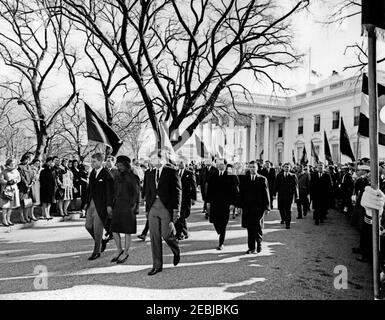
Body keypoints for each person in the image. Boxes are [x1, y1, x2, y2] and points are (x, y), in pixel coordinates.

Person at [144, 154, 181, 276]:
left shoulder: (171, 171)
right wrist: (147, 209)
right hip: (153, 207)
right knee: (154, 237)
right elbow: (148, 192)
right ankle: (157, 265)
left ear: (162, 159)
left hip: (166, 207)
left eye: (155, 158)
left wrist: (177, 209)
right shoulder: (149, 173)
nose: (153, 160)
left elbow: (177, 191)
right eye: (152, 158)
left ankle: (175, 249)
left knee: (166, 234)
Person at [110, 156, 140, 264]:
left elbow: (136, 193)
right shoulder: (117, 177)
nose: (119, 167)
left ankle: (126, 252)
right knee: (114, 229)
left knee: (127, 231)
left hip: (128, 206)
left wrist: (135, 207)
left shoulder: (133, 177)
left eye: (121, 165)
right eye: (118, 165)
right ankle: (119, 249)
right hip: (117, 205)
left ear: (126, 165)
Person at [84, 153, 114, 261]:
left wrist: (109, 206)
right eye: (91, 161)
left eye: (94, 161)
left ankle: (96, 251)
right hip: (91, 204)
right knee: (88, 226)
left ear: (101, 162)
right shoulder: (92, 173)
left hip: (101, 205)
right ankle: (102, 241)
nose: (92, 163)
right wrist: (86, 203)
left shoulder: (107, 174)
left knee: (98, 228)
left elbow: (110, 192)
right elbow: (89, 190)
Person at [206, 158, 239, 250]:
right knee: (215, 221)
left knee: (223, 223)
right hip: (215, 203)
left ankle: (221, 243)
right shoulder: (213, 174)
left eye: (221, 164)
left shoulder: (231, 175)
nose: (219, 166)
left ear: (225, 165)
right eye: (218, 164)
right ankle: (219, 230)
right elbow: (209, 190)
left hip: (226, 203)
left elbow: (235, 191)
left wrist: (233, 203)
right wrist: (208, 202)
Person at [239, 161, 270, 254]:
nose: (252, 169)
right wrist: (239, 206)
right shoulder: (244, 179)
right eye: (250, 167)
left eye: (254, 167)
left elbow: (266, 194)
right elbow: (241, 194)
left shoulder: (262, 179)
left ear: (257, 168)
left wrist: (267, 207)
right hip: (247, 207)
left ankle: (259, 243)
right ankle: (251, 247)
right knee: (249, 227)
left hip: (258, 208)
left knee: (257, 226)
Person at [175, 161, 197, 240]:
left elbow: (194, 186)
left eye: (182, 162)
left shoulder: (190, 173)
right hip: (177, 198)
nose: (180, 164)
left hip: (186, 198)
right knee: (180, 216)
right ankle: (183, 233)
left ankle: (179, 234)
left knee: (182, 216)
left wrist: (194, 198)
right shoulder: (176, 172)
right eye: (179, 162)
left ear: (185, 163)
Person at [273, 163, 299, 229]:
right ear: (283, 168)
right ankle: (283, 218)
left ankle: (288, 223)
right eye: (285, 167)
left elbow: (296, 186)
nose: (286, 168)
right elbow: (276, 185)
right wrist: (274, 194)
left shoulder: (293, 176)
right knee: (281, 208)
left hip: (289, 196)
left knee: (288, 210)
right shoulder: (279, 175)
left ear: (290, 168)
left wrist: (296, 196)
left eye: (288, 167)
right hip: (281, 195)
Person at [0, 158, 21, 226]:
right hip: (7, 190)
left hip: (14, 189)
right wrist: (7, 182)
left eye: (14, 163)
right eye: (12, 163)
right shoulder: (4, 171)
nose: (13, 165)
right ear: (8, 164)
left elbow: (19, 178)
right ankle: (4, 220)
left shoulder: (16, 171)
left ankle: (9, 219)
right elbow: (1, 180)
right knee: (5, 206)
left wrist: (15, 181)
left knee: (11, 206)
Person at [138, 162, 153, 241]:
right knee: (149, 215)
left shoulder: (157, 172)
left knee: (151, 215)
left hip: (155, 198)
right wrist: (143, 196)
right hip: (149, 197)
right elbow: (145, 185)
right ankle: (144, 233)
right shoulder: (147, 172)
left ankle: (144, 233)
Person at [17, 154, 35, 223]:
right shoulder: (19, 167)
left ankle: (26, 217)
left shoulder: (30, 167)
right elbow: (21, 177)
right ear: (23, 159)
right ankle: (22, 218)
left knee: (28, 204)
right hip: (22, 188)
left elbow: (33, 176)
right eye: (26, 159)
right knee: (22, 204)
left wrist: (32, 183)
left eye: (29, 159)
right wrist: (26, 185)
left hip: (29, 188)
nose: (27, 161)